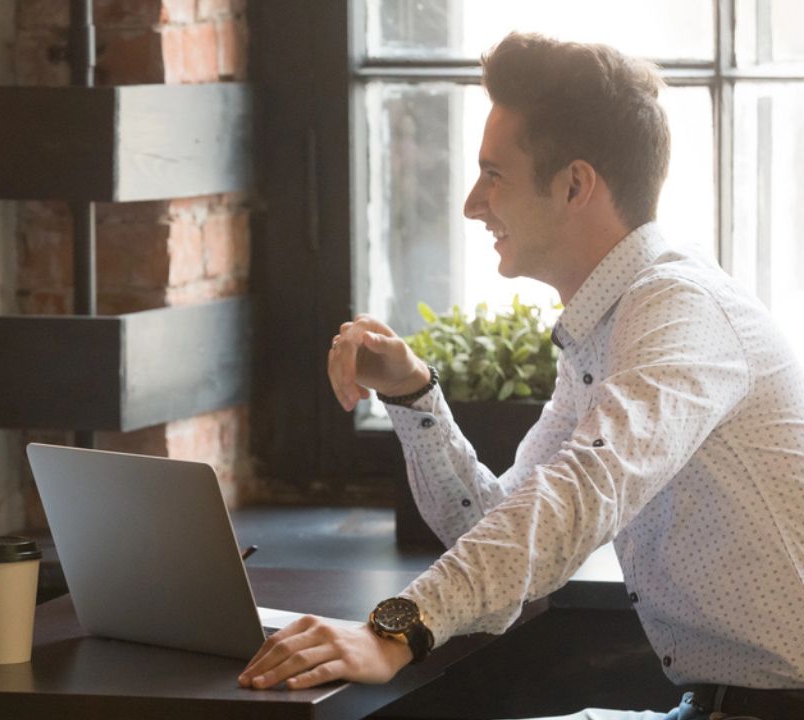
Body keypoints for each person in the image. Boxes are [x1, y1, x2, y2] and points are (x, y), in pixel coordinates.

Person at [239, 32, 804, 719]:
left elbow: (582, 492)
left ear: (575, 184)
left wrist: (395, 629)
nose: (473, 204)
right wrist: (414, 395)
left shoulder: (680, 311)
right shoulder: (605, 331)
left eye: (494, 174)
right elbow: (496, 530)